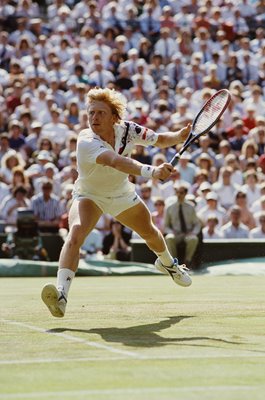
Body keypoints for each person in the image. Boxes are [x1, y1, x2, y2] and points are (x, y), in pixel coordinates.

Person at [41, 87, 192, 318]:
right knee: (76, 232)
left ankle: (169, 264)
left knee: (150, 233)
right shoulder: (86, 140)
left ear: (114, 117)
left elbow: (160, 140)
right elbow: (116, 161)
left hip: (121, 193)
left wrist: (179, 137)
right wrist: (152, 172)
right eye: (91, 113)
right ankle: (61, 295)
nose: (94, 118)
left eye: (100, 113)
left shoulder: (129, 129)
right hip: (90, 195)